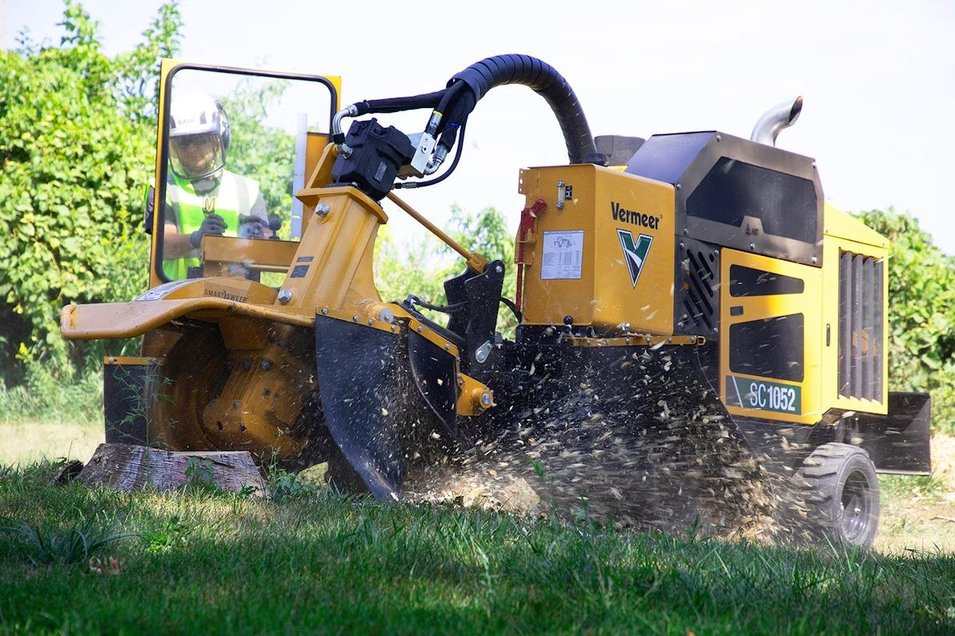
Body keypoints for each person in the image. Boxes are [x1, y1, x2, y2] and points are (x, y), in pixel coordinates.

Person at [161, 92, 270, 280]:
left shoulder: (248, 190)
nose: (193, 149)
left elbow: (264, 252)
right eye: (184, 142)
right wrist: (196, 238)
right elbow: (163, 244)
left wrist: (266, 240)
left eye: (201, 140)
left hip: (237, 300)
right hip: (175, 299)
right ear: (173, 148)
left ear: (220, 139)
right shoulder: (164, 188)